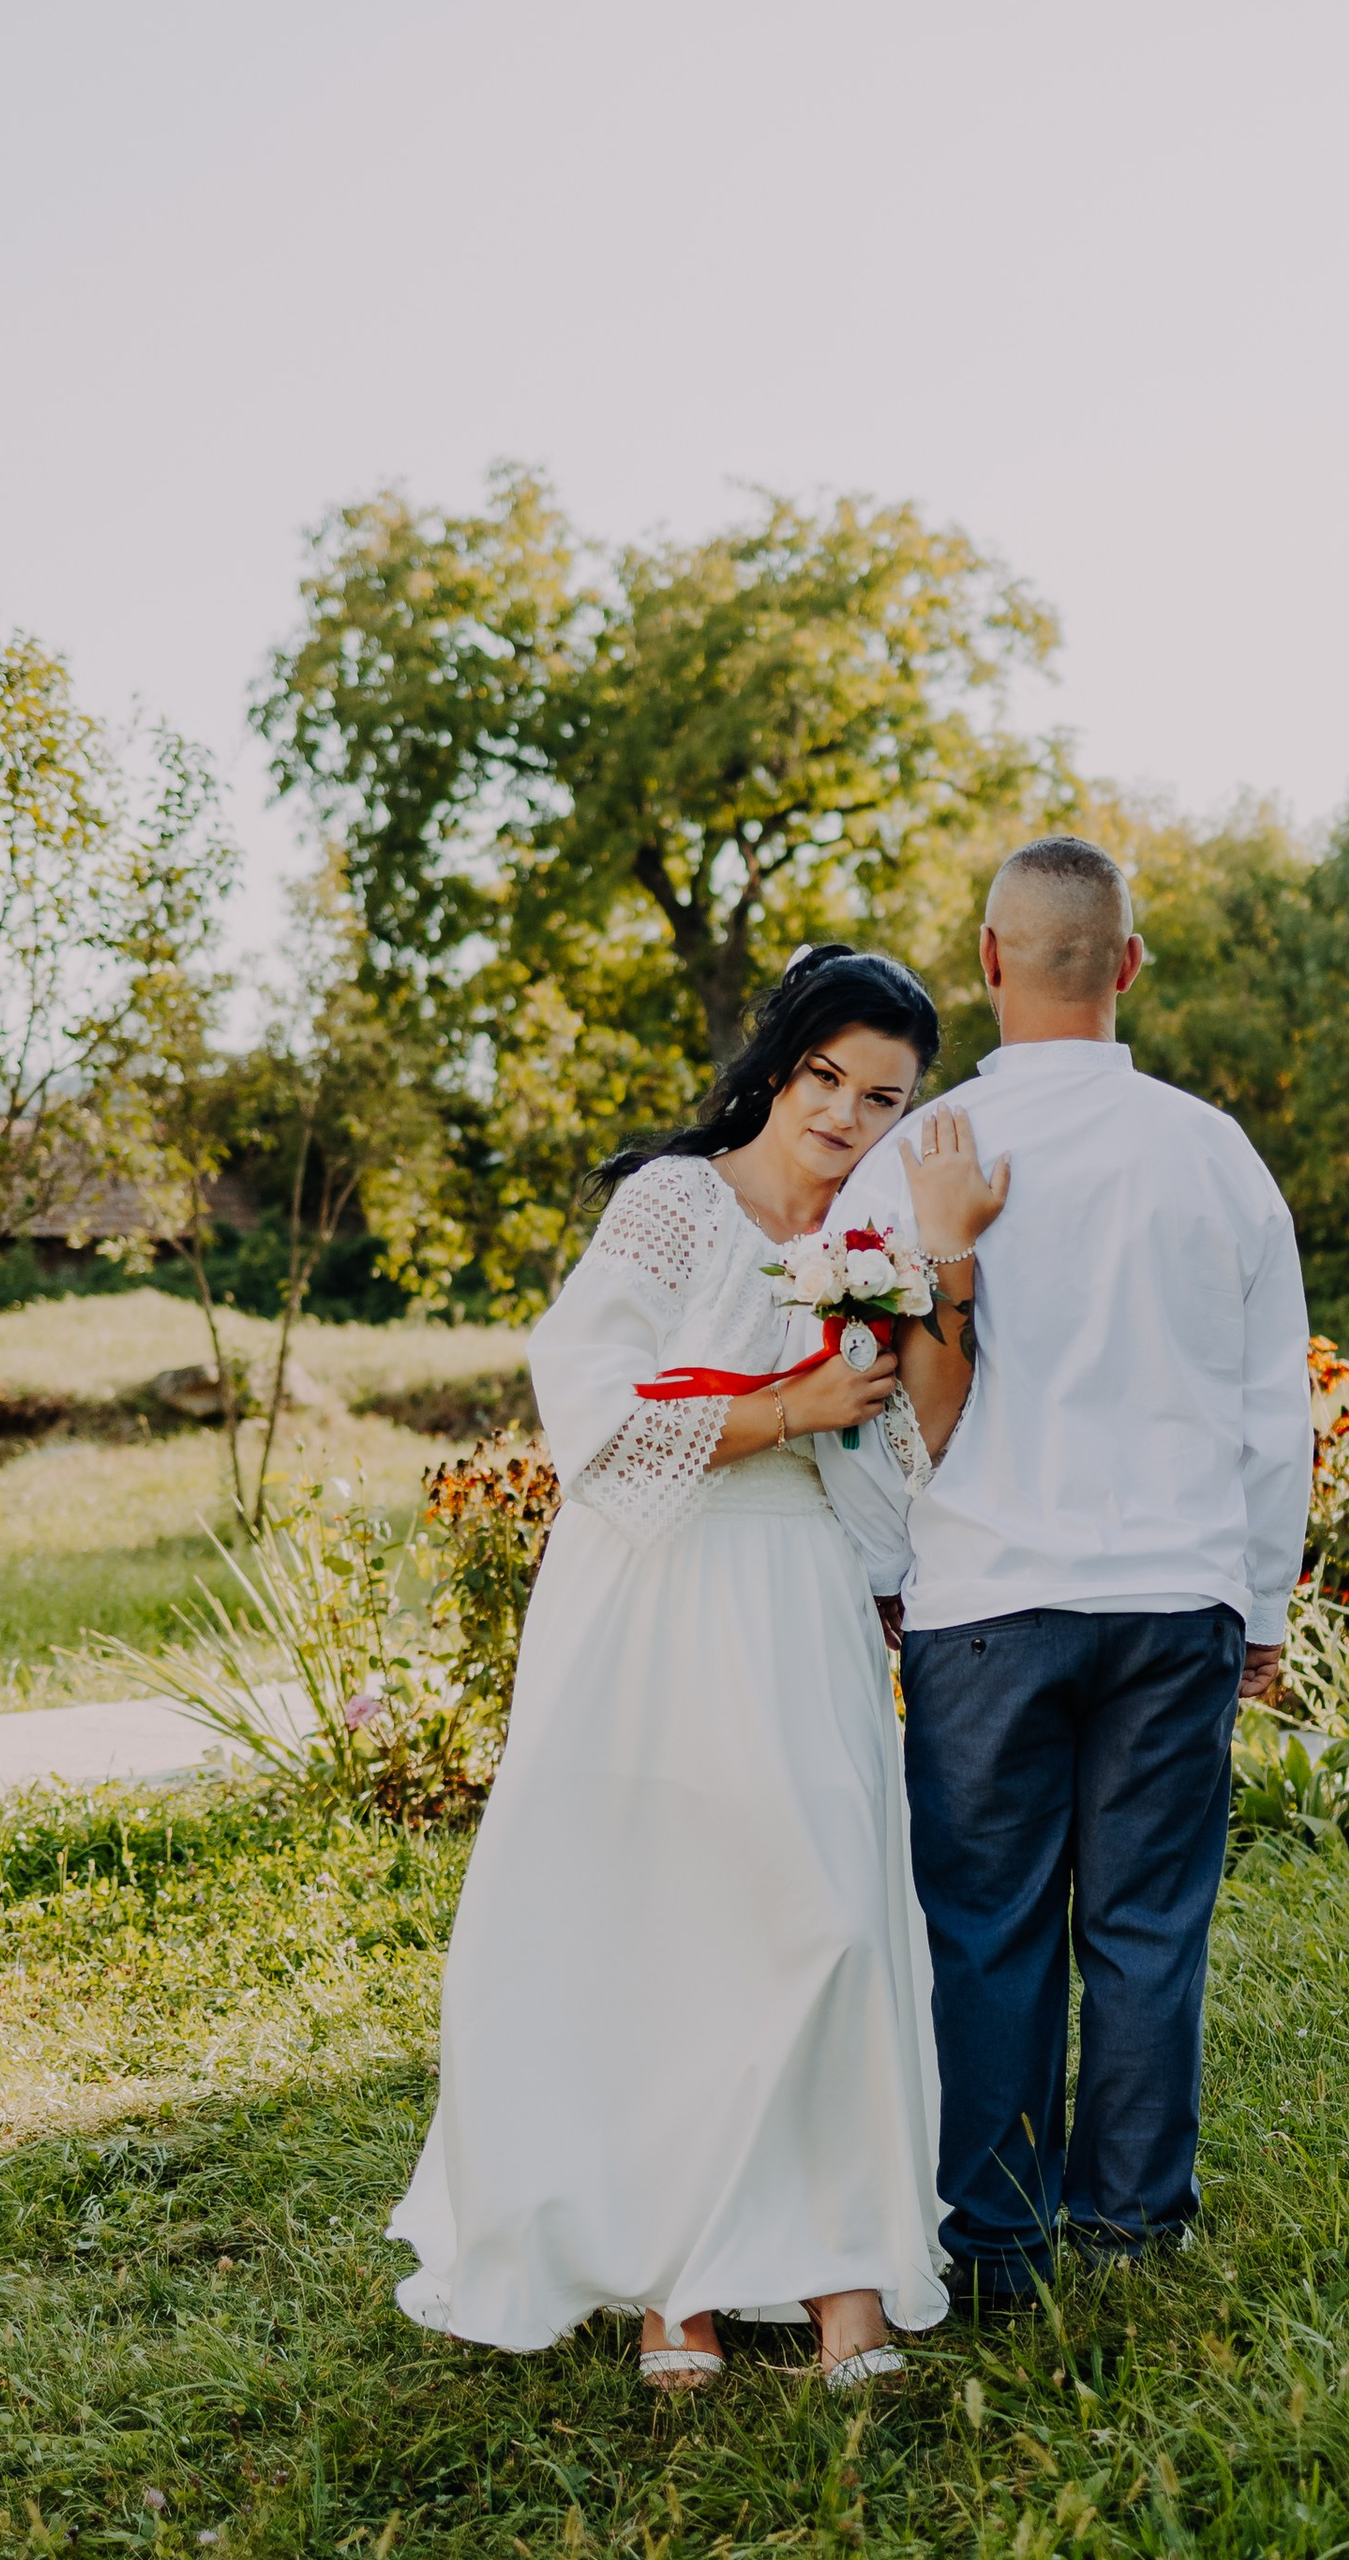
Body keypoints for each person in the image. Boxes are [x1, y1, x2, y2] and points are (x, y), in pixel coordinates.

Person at [385, 946, 962, 2391]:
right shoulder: (673, 1204)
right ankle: (673, 2288)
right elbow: (588, 1403)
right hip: (651, 1587)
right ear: (779, 1065)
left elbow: (899, 1450)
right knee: (664, 1916)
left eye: (880, 1096)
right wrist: (788, 1406)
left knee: (828, 1917)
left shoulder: (882, 1238)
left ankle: (845, 2276)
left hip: (801, 1589)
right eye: (827, 1076)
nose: (844, 1114)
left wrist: (883, 1381)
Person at [829, 835, 1312, 2311]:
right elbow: (1270, 1404)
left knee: (987, 1928)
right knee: (1150, 1922)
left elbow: (866, 1398)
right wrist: (1266, 1602)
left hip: (982, 1601)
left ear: (986, 960)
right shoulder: (1213, 1151)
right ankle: (1137, 2221)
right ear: (1130, 967)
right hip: (1178, 1595)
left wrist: (879, 1575)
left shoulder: (914, 1154)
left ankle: (994, 2233)